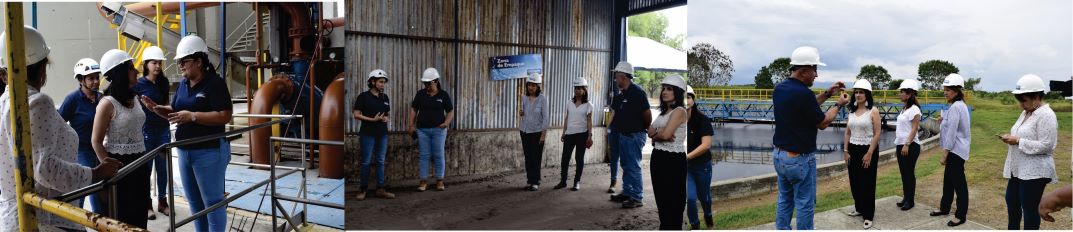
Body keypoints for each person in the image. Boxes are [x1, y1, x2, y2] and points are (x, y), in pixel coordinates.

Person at [0, 25, 121, 231]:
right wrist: (95, 173)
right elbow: (44, 169)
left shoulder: (5, 102)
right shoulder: (38, 102)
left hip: (16, 217)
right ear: (43, 67)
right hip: (45, 219)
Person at [141, 35, 233, 232]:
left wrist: (193, 116)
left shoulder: (214, 83)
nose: (180, 66)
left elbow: (225, 115)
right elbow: (175, 111)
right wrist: (157, 109)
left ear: (199, 61)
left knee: (213, 202)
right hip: (184, 152)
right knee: (195, 202)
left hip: (208, 151)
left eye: (184, 61)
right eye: (179, 62)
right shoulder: (183, 84)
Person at [771, 46, 849, 230]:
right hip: (799, 159)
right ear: (804, 71)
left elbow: (807, 106)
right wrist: (838, 104)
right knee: (804, 203)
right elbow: (822, 123)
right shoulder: (803, 93)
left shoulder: (780, 89)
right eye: (815, 70)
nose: (816, 75)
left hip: (780, 156)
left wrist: (828, 93)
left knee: (785, 199)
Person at [92, 49, 150, 227]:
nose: (137, 71)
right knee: (121, 217)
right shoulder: (107, 103)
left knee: (140, 215)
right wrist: (109, 168)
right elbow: (96, 140)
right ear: (120, 73)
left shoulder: (135, 97)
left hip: (140, 162)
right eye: (131, 67)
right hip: (119, 165)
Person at [1000, 74, 1058, 230]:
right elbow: (1022, 134)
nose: (1021, 104)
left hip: (1035, 172)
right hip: (1018, 169)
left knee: (1030, 210)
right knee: (1011, 202)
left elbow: (1047, 145)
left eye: (1024, 100)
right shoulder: (1026, 113)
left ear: (1037, 97)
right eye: (1019, 100)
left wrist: (1018, 141)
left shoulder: (1046, 115)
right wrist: (1011, 137)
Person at [59, 58, 105, 213]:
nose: (96, 82)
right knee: (83, 186)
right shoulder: (72, 99)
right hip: (82, 149)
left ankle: (101, 222)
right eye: (91, 78)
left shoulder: (101, 98)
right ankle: (75, 224)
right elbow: (59, 123)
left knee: (99, 188)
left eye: (97, 77)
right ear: (80, 80)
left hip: (99, 147)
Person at [133, 46, 171, 219]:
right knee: (146, 169)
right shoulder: (138, 85)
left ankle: (162, 202)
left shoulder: (164, 82)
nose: (157, 66)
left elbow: (167, 104)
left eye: (159, 63)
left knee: (163, 168)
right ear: (146, 64)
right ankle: (147, 204)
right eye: (153, 62)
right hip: (146, 132)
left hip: (163, 130)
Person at [608, 61, 652, 209]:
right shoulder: (622, 95)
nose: (615, 79)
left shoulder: (638, 93)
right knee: (625, 165)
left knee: (633, 167)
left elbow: (647, 115)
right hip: (623, 135)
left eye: (617, 76)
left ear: (624, 77)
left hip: (634, 136)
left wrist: (641, 130)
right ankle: (627, 192)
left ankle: (637, 197)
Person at [930, 73, 972, 227]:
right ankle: (945, 207)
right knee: (948, 181)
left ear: (956, 91)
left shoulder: (956, 107)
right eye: (944, 89)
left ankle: (960, 215)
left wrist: (945, 153)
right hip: (957, 149)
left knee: (959, 184)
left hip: (955, 150)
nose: (945, 92)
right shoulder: (958, 106)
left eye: (948, 90)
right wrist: (944, 119)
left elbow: (953, 132)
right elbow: (953, 123)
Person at [648, 75, 688, 230]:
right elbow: (650, 132)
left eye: (669, 89)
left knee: (673, 201)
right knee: (662, 200)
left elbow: (663, 136)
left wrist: (658, 134)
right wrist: (660, 133)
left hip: (673, 160)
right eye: (664, 88)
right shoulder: (664, 112)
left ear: (677, 92)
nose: (664, 92)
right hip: (658, 157)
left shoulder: (679, 111)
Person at [842, 79, 882, 229]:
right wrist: (846, 151)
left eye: (861, 92)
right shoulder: (851, 111)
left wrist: (870, 153)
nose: (858, 95)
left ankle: (868, 215)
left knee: (867, 183)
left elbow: (877, 134)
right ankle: (859, 208)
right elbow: (847, 132)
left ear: (867, 94)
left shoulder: (873, 111)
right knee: (855, 181)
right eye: (856, 92)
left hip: (868, 149)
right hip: (853, 149)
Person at [409, 67, 454, 192]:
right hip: (422, 130)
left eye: (429, 83)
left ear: (436, 81)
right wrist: (411, 125)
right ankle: (423, 181)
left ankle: (440, 180)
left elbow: (450, 110)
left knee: (438, 155)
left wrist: (446, 122)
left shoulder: (443, 95)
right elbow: (414, 109)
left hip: (438, 130)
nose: (427, 86)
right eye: (425, 83)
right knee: (424, 155)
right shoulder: (420, 94)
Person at [354, 69, 395, 200]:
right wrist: (373, 120)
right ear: (372, 81)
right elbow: (356, 114)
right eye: (380, 82)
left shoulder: (385, 97)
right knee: (366, 162)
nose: (383, 84)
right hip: (367, 134)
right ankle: (363, 189)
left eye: (384, 82)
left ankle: (380, 189)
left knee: (380, 161)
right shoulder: (363, 97)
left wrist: (385, 119)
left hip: (382, 134)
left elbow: (387, 114)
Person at [555, 76, 593, 191]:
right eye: (576, 88)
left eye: (580, 88)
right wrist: (563, 132)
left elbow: (589, 121)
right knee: (565, 158)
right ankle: (563, 181)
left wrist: (590, 136)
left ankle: (577, 182)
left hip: (582, 134)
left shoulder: (589, 105)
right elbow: (567, 118)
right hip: (569, 134)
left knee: (579, 158)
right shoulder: (569, 103)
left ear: (585, 90)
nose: (577, 90)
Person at [685, 85, 714, 230]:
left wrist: (687, 156)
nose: (686, 100)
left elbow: (706, 145)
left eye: (688, 97)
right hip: (687, 169)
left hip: (702, 166)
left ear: (693, 100)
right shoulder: (677, 120)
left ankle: (708, 214)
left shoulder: (702, 119)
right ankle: (695, 225)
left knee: (704, 197)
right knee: (690, 199)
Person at [894, 79, 922, 211]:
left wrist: (907, 144)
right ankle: (906, 198)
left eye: (902, 92)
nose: (900, 94)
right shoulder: (905, 108)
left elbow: (914, 129)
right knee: (904, 173)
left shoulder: (914, 109)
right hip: (901, 144)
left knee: (909, 173)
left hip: (910, 145)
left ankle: (910, 201)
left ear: (909, 94)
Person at [519, 73, 549, 191]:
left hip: (537, 132)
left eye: (534, 85)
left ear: (538, 87)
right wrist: (522, 113)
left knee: (536, 157)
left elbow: (546, 118)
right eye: (529, 85)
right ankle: (530, 180)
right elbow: (524, 113)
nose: (531, 88)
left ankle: (535, 181)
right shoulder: (524, 98)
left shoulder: (542, 99)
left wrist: (543, 134)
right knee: (528, 157)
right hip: (524, 131)